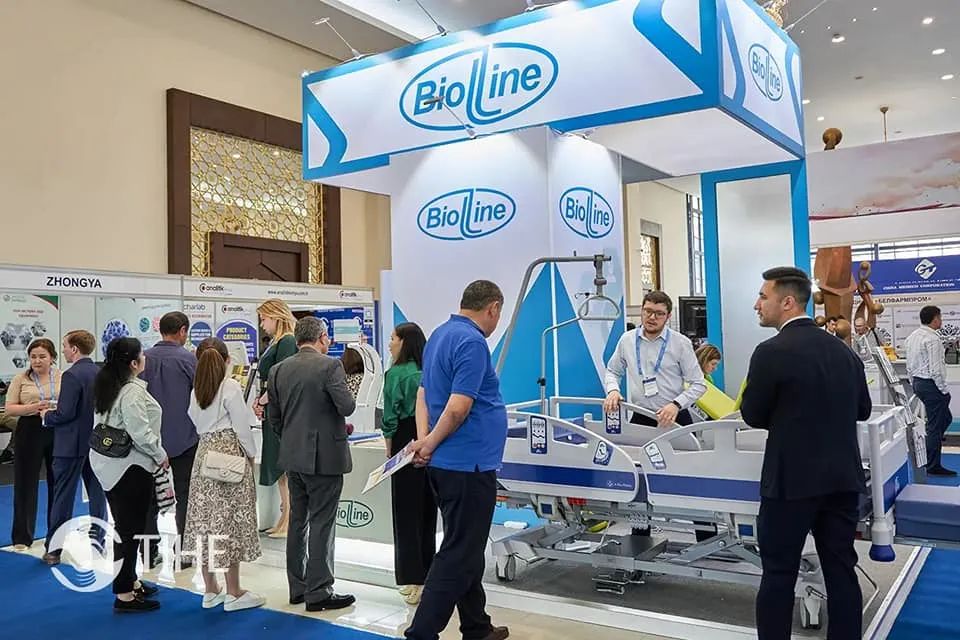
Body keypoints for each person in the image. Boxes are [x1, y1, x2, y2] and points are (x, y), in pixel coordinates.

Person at [740, 267, 871, 640]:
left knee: (779, 573)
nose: (757, 304)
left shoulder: (770, 352)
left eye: (762, 296)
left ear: (787, 302)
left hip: (790, 484)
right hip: (842, 480)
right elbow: (863, 410)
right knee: (841, 569)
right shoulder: (843, 352)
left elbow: (752, 414)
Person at [405, 280, 509, 640]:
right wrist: (430, 442)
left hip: (447, 464)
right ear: (493, 308)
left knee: (466, 547)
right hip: (469, 465)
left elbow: (423, 393)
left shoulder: (439, 335)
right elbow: (459, 407)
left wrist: (424, 440)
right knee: (458, 553)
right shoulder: (472, 342)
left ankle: (476, 626)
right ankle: (421, 633)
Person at [267, 317, 356, 611]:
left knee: (297, 521)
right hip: (325, 458)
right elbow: (347, 406)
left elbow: (274, 418)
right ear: (321, 337)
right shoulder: (330, 366)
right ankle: (319, 591)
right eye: (327, 337)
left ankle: (298, 587)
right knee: (322, 522)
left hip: (293, 457)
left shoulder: (278, 370)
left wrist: (292, 439)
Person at [183, 338, 264, 612]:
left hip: (204, 455)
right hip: (229, 456)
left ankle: (210, 589)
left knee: (205, 522)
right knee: (230, 523)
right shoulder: (230, 387)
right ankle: (234, 591)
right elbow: (242, 427)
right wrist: (250, 455)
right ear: (227, 360)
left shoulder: (195, 391)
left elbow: (195, 421)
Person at [90, 337, 168, 613]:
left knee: (127, 528)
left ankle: (130, 580)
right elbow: (140, 432)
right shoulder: (131, 391)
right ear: (134, 363)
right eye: (142, 355)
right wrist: (160, 454)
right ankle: (124, 592)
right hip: (130, 467)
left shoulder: (108, 385)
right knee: (128, 530)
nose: (145, 358)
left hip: (109, 465)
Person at [40, 330, 107, 565]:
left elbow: (65, 413)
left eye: (65, 346)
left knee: (63, 497)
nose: (64, 350)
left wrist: (46, 415)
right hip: (97, 444)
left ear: (75, 349)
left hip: (70, 446)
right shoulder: (101, 373)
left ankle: (54, 550)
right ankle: (98, 542)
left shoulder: (71, 375)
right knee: (98, 495)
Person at [383, 322, 435, 606]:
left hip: (405, 440)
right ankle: (429, 573)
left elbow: (389, 417)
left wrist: (389, 451)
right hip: (431, 441)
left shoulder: (395, 374)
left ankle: (412, 579)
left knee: (405, 513)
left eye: (393, 338)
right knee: (427, 511)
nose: (390, 343)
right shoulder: (429, 372)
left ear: (404, 341)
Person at [140, 311, 197, 566]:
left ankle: (148, 552)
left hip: (149, 442)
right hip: (185, 439)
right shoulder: (189, 360)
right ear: (182, 330)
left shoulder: (142, 359)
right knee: (186, 496)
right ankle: (184, 553)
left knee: (147, 497)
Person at [603, 291, 707, 428]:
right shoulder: (627, 340)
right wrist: (613, 390)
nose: (652, 317)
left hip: (673, 416)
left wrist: (676, 404)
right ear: (642, 311)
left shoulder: (681, 343)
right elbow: (613, 371)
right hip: (641, 415)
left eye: (659, 313)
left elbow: (699, 384)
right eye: (648, 311)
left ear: (668, 316)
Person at [5, 338, 61, 551]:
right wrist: (33, 407)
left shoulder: (63, 377)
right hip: (29, 429)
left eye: (42, 356)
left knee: (58, 484)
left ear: (52, 358)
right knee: (25, 484)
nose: (37, 361)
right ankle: (22, 537)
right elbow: (9, 408)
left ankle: (56, 536)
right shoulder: (20, 378)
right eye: (33, 357)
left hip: (57, 429)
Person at [254, 298, 298, 538]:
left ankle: (290, 518)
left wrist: (263, 400)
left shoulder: (287, 342)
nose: (262, 325)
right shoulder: (277, 342)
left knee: (283, 465)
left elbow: (282, 378)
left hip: (280, 411)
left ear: (276, 317)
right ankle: (284, 516)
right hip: (272, 409)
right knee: (279, 465)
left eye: (264, 319)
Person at [905, 305, 954, 476]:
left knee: (944, 419)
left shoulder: (912, 337)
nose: (941, 320)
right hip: (931, 384)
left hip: (919, 383)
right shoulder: (933, 339)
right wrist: (943, 390)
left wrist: (914, 384)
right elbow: (936, 370)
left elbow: (909, 366)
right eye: (940, 317)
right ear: (935, 319)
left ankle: (928, 450)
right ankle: (932, 465)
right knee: (935, 426)